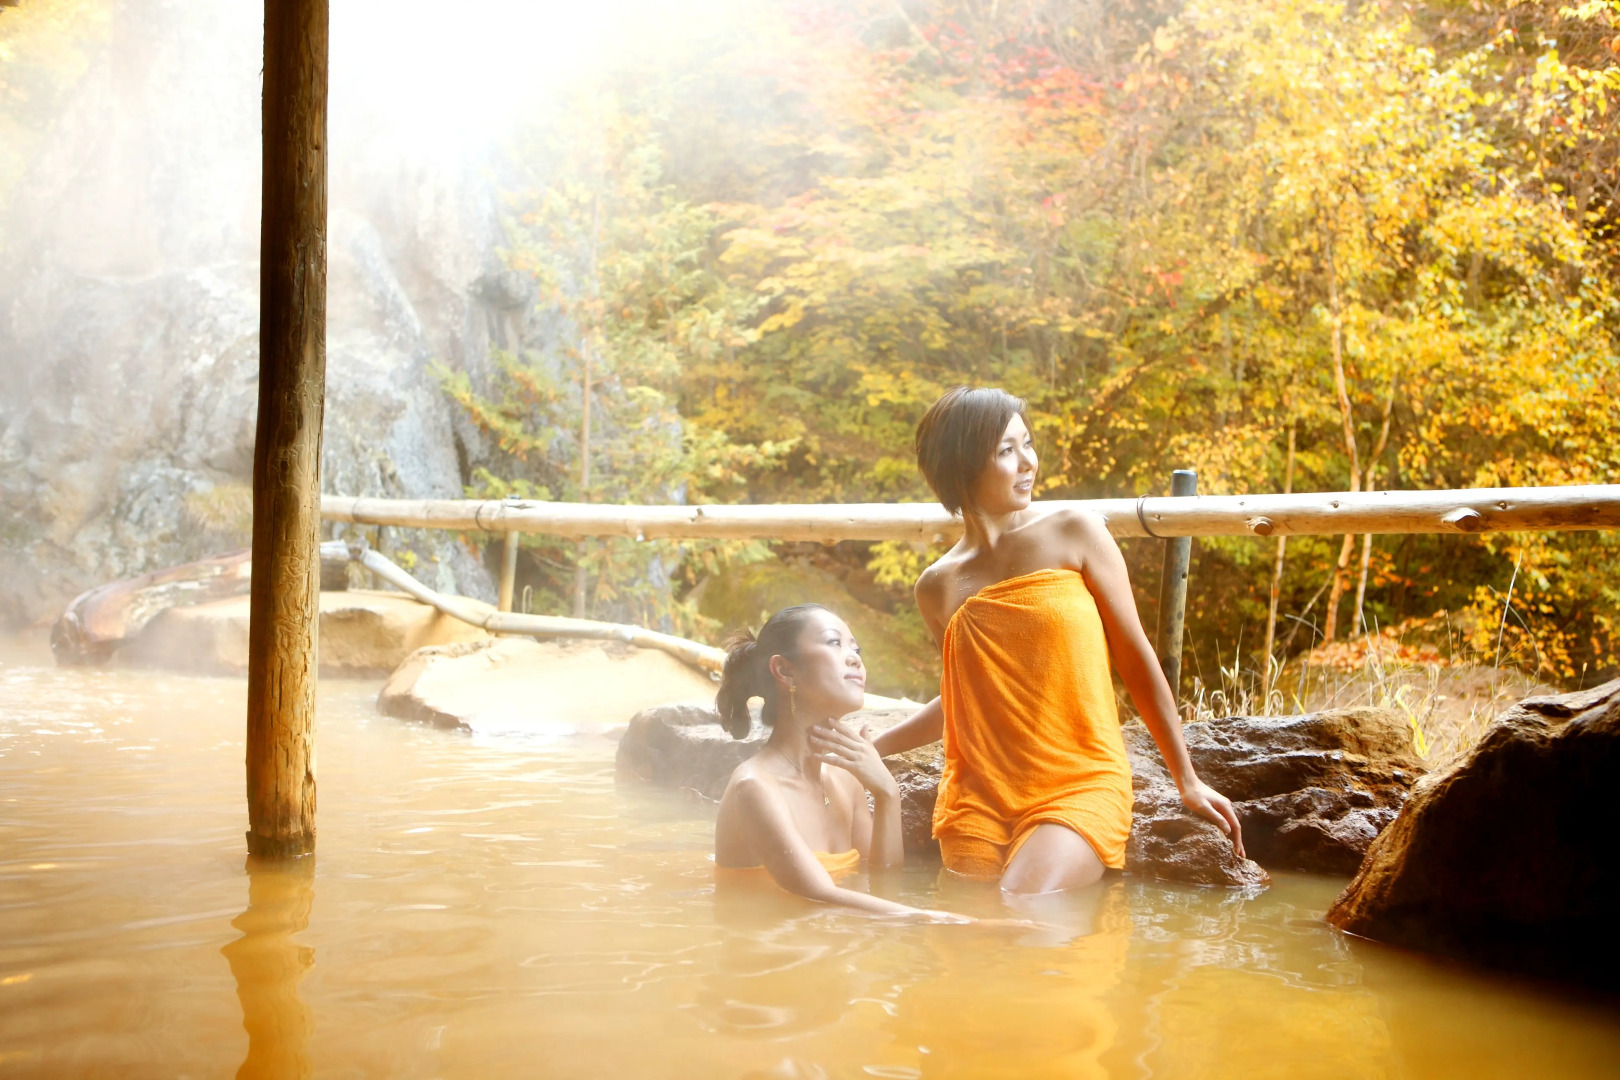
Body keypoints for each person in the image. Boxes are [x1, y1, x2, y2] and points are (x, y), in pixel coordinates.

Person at [872, 386, 1246, 894]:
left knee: (1019, 905)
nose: (1029, 462)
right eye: (1006, 450)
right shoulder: (936, 586)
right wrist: (871, 749)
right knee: (962, 931)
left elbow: (1134, 655)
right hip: (978, 795)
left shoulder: (1075, 531)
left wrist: (1187, 778)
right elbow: (964, 698)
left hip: (1078, 780)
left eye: (1027, 443)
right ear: (960, 466)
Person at [713, 604, 964, 920]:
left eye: (855, 648)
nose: (855, 658)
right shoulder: (755, 787)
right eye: (834, 643)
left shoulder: (844, 778)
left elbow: (885, 883)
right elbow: (819, 896)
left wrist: (887, 792)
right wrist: (958, 922)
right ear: (784, 670)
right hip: (773, 958)